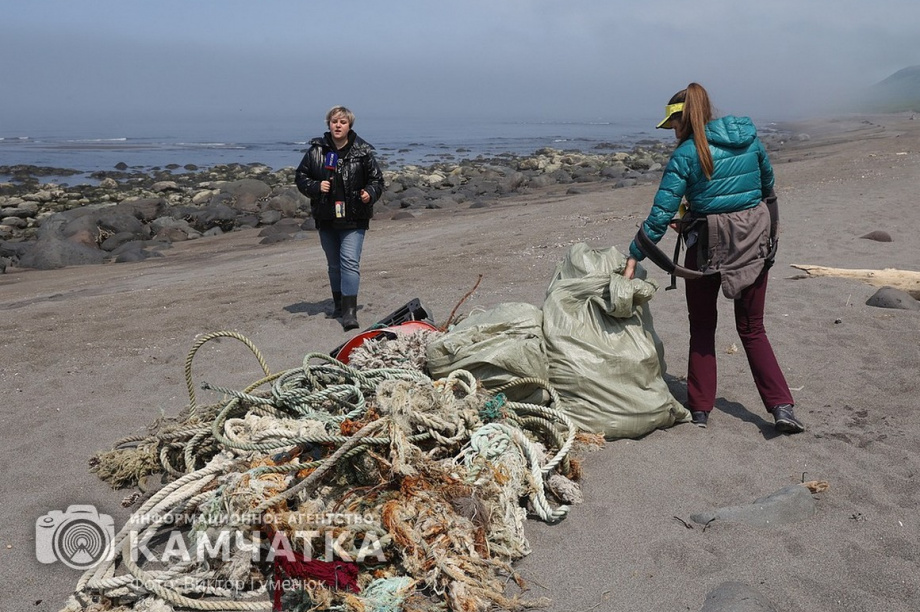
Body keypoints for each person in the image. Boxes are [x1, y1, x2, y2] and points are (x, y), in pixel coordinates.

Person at [623, 83, 804, 434]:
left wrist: (634, 254)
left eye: (672, 125)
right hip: (754, 241)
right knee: (753, 329)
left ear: (684, 119)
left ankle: (701, 408)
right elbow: (767, 187)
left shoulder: (687, 154)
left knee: (703, 326)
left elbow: (660, 214)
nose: (671, 132)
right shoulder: (749, 139)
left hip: (707, 248)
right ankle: (781, 407)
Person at [295, 106, 385, 331]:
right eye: (334, 121)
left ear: (349, 126)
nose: (338, 125)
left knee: (349, 263)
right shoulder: (317, 151)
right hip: (326, 216)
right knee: (334, 266)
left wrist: (369, 194)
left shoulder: (363, 151)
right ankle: (338, 305)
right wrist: (316, 186)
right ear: (328, 124)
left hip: (355, 217)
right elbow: (301, 177)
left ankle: (350, 313)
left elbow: (377, 180)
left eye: (342, 122)